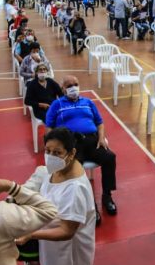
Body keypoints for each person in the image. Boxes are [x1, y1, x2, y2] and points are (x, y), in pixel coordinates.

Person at [18, 128, 96, 265]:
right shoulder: (57, 170)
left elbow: (67, 231)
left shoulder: (75, 188)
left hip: (71, 247)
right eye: (48, 151)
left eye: (57, 153)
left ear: (71, 153)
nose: (51, 156)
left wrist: (32, 234)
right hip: (55, 241)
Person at [45, 76, 118, 216]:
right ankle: (91, 205)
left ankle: (107, 196)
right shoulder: (57, 104)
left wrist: (101, 138)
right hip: (72, 143)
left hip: (92, 140)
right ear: (63, 89)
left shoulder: (88, 102)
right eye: (69, 85)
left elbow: (99, 122)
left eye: (76, 84)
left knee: (110, 157)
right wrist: (52, 146)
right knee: (76, 168)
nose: (73, 88)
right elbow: (49, 127)